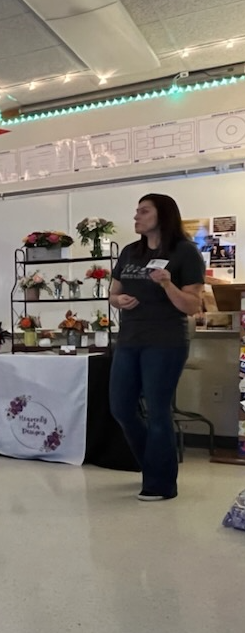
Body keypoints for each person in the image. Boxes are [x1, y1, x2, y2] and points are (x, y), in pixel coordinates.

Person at [109, 194, 205, 502]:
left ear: (162, 216)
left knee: (157, 410)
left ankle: (161, 483)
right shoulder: (129, 252)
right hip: (129, 340)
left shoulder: (185, 252)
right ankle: (151, 465)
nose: (136, 216)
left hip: (165, 343)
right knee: (121, 407)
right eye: (136, 210)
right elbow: (114, 293)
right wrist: (117, 301)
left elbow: (191, 305)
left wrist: (166, 283)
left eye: (143, 211)